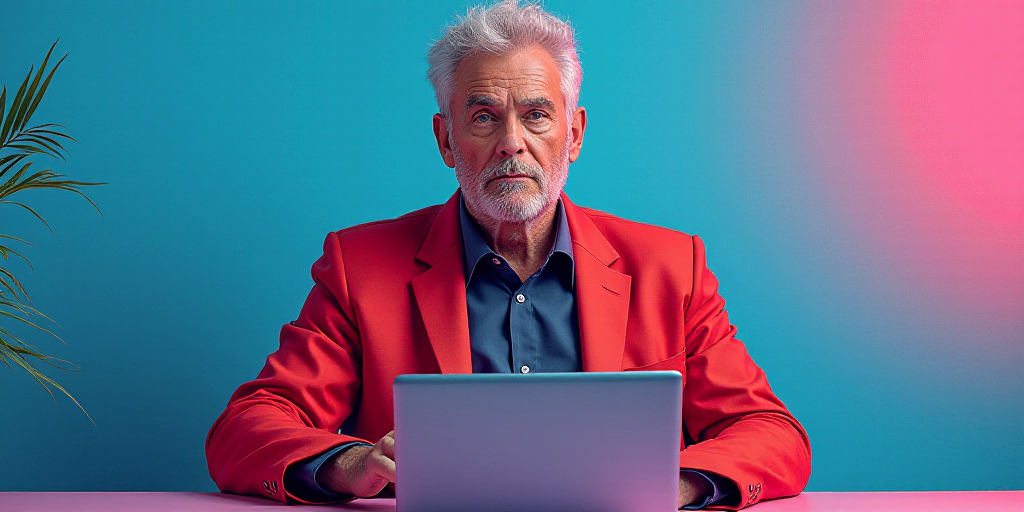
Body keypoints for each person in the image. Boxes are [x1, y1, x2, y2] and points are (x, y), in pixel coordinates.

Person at [205, 1, 811, 509]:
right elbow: (245, 429)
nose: (511, 144)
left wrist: (670, 485)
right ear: (446, 139)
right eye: (484, 117)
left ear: (573, 134)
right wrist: (349, 465)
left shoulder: (668, 266)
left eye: (536, 115)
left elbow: (769, 433)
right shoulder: (359, 267)